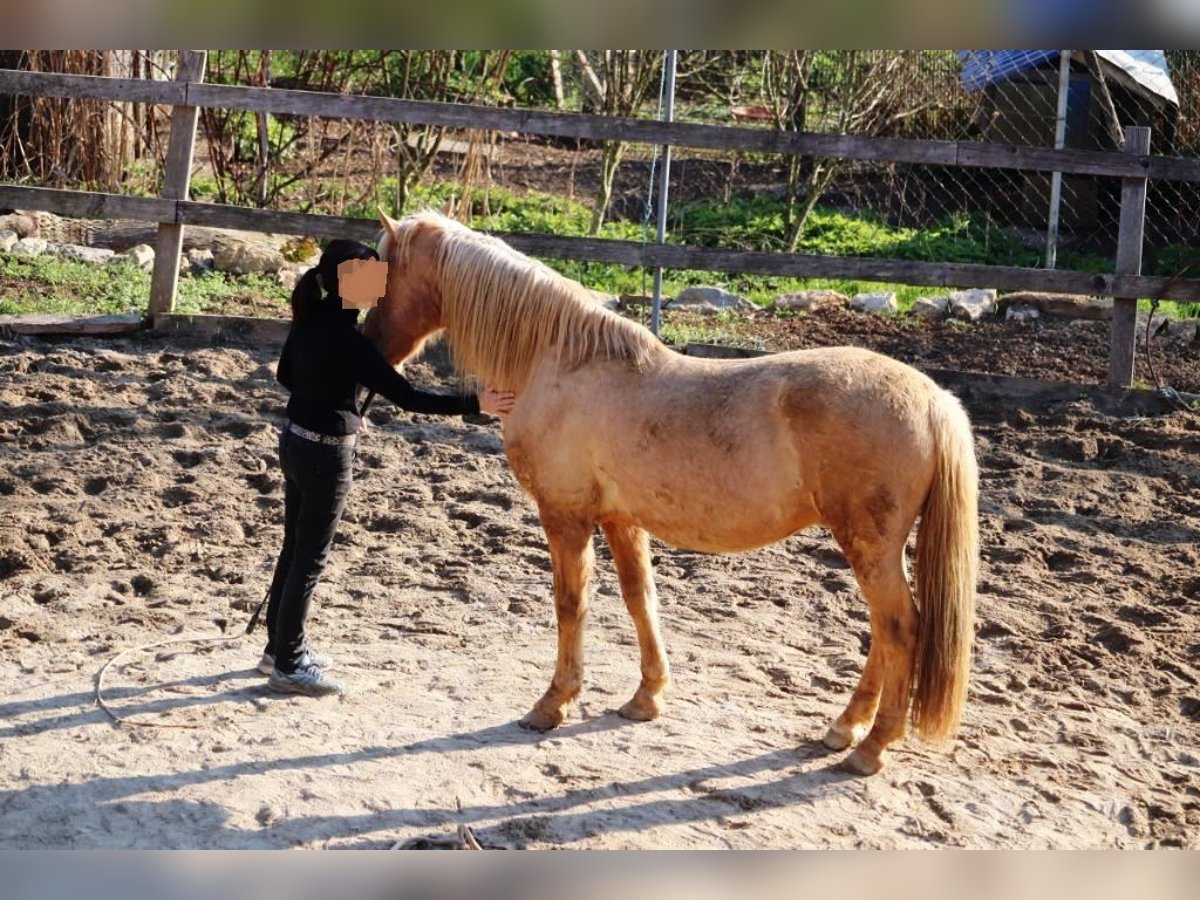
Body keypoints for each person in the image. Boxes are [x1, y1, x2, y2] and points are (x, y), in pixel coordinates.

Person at [260, 239, 515, 697]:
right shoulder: (353, 343)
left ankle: (276, 649)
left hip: (294, 442)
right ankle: (290, 662)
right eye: (373, 279)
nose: (380, 291)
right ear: (351, 282)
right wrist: (478, 402)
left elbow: (285, 378)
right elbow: (411, 398)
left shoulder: (309, 320)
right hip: (327, 457)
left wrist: (333, 401)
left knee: (292, 548)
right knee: (309, 559)